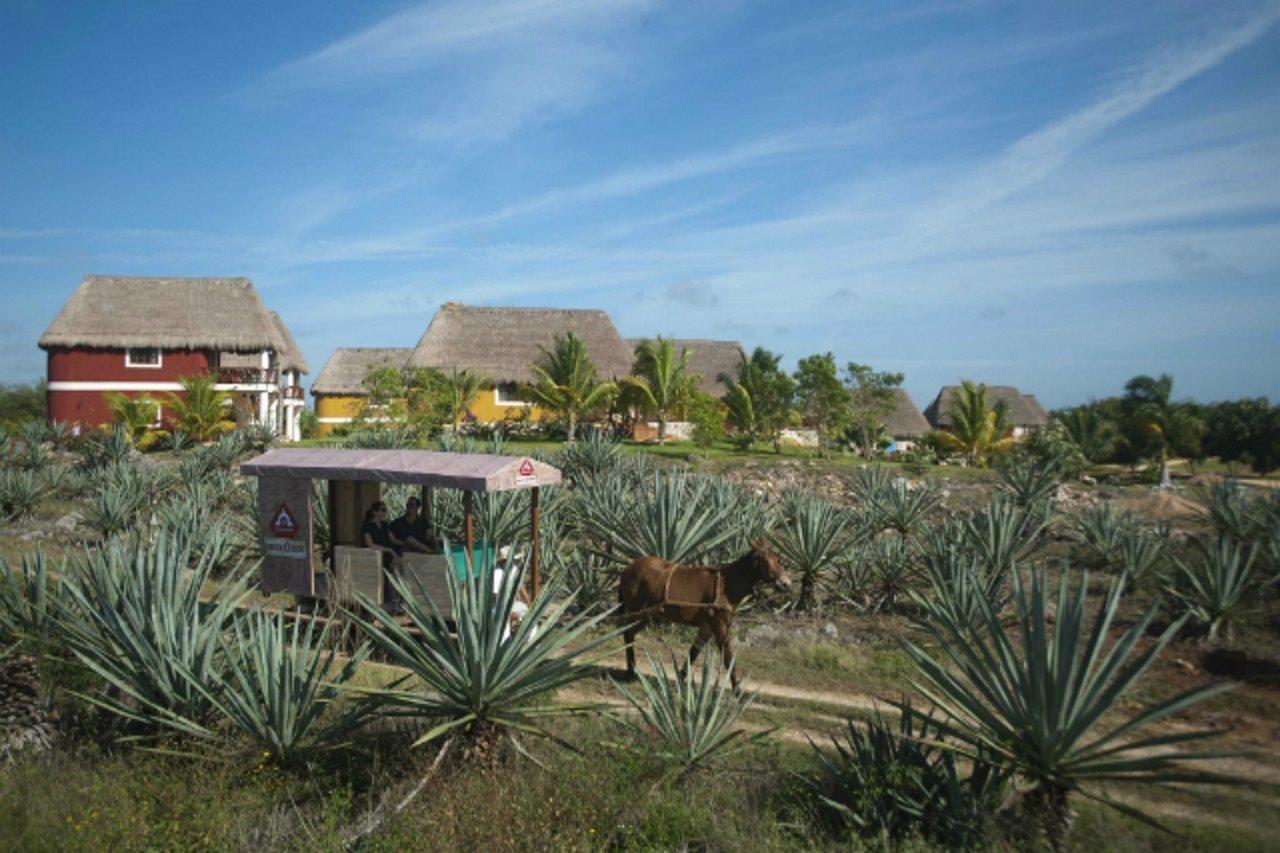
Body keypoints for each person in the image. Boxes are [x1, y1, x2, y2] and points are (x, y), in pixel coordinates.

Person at [361, 501, 402, 568]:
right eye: (383, 510)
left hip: (389, 553)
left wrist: (405, 543)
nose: (385, 512)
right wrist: (388, 550)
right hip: (376, 555)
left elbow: (393, 540)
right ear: (375, 512)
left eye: (386, 510)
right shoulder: (367, 527)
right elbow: (370, 545)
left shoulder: (385, 525)